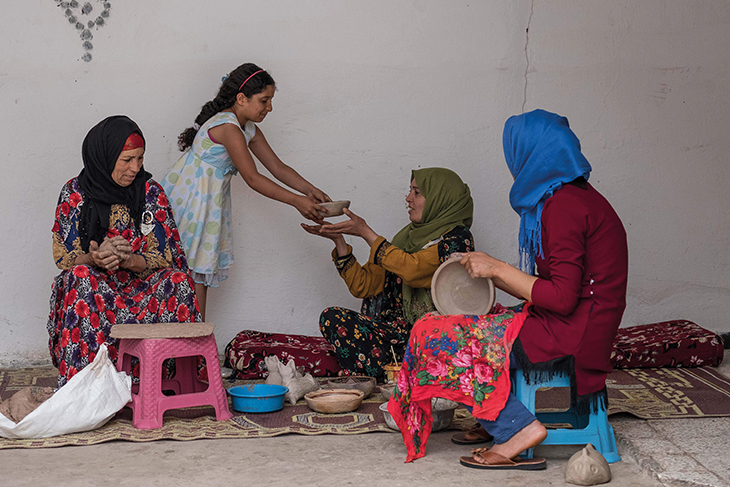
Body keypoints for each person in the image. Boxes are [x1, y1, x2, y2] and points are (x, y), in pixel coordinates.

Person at [389, 109, 628, 469]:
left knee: (438, 334)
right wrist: (489, 272)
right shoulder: (570, 198)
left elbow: (561, 298)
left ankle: (519, 428)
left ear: (529, 154)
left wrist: (498, 268)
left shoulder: (564, 206)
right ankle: (496, 415)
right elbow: (554, 289)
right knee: (465, 323)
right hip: (576, 322)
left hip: (573, 332)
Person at [161, 63, 330, 320]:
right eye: (264, 100)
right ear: (241, 98)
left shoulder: (247, 129)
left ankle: (193, 344)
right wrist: (297, 201)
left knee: (197, 273)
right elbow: (252, 178)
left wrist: (310, 190)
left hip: (207, 203)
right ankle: (190, 343)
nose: (269, 108)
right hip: (190, 201)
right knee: (189, 271)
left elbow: (278, 167)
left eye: (271, 100)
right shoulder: (228, 127)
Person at [47, 116, 202, 388]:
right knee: (79, 277)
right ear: (105, 157)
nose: (135, 168)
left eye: (140, 159)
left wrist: (129, 259)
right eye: (127, 160)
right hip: (97, 292)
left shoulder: (150, 192)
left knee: (179, 280)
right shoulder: (74, 193)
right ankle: (87, 386)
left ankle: (169, 381)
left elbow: (168, 255)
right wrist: (93, 257)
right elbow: (64, 257)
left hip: (142, 289)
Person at [302, 168, 475, 380]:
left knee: (434, 347)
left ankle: (394, 374)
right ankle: (398, 374)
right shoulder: (404, 239)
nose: (408, 198)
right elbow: (363, 285)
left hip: (435, 337)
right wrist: (339, 240)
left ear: (441, 198)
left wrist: (366, 233)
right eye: (409, 190)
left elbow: (413, 270)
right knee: (332, 318)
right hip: (396, 335)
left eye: (417, 192)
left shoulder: (457, 240)